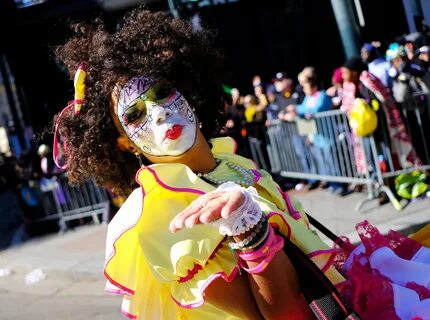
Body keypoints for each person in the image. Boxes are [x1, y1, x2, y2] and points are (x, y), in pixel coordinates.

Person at [52, 8, 348, 320]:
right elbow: (285, 315)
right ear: (125, 142)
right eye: (135, 115)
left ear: (185, 90)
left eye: (163, 92)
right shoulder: (158, 219)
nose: (158, 112)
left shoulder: (232, 162)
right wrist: (247, 229)